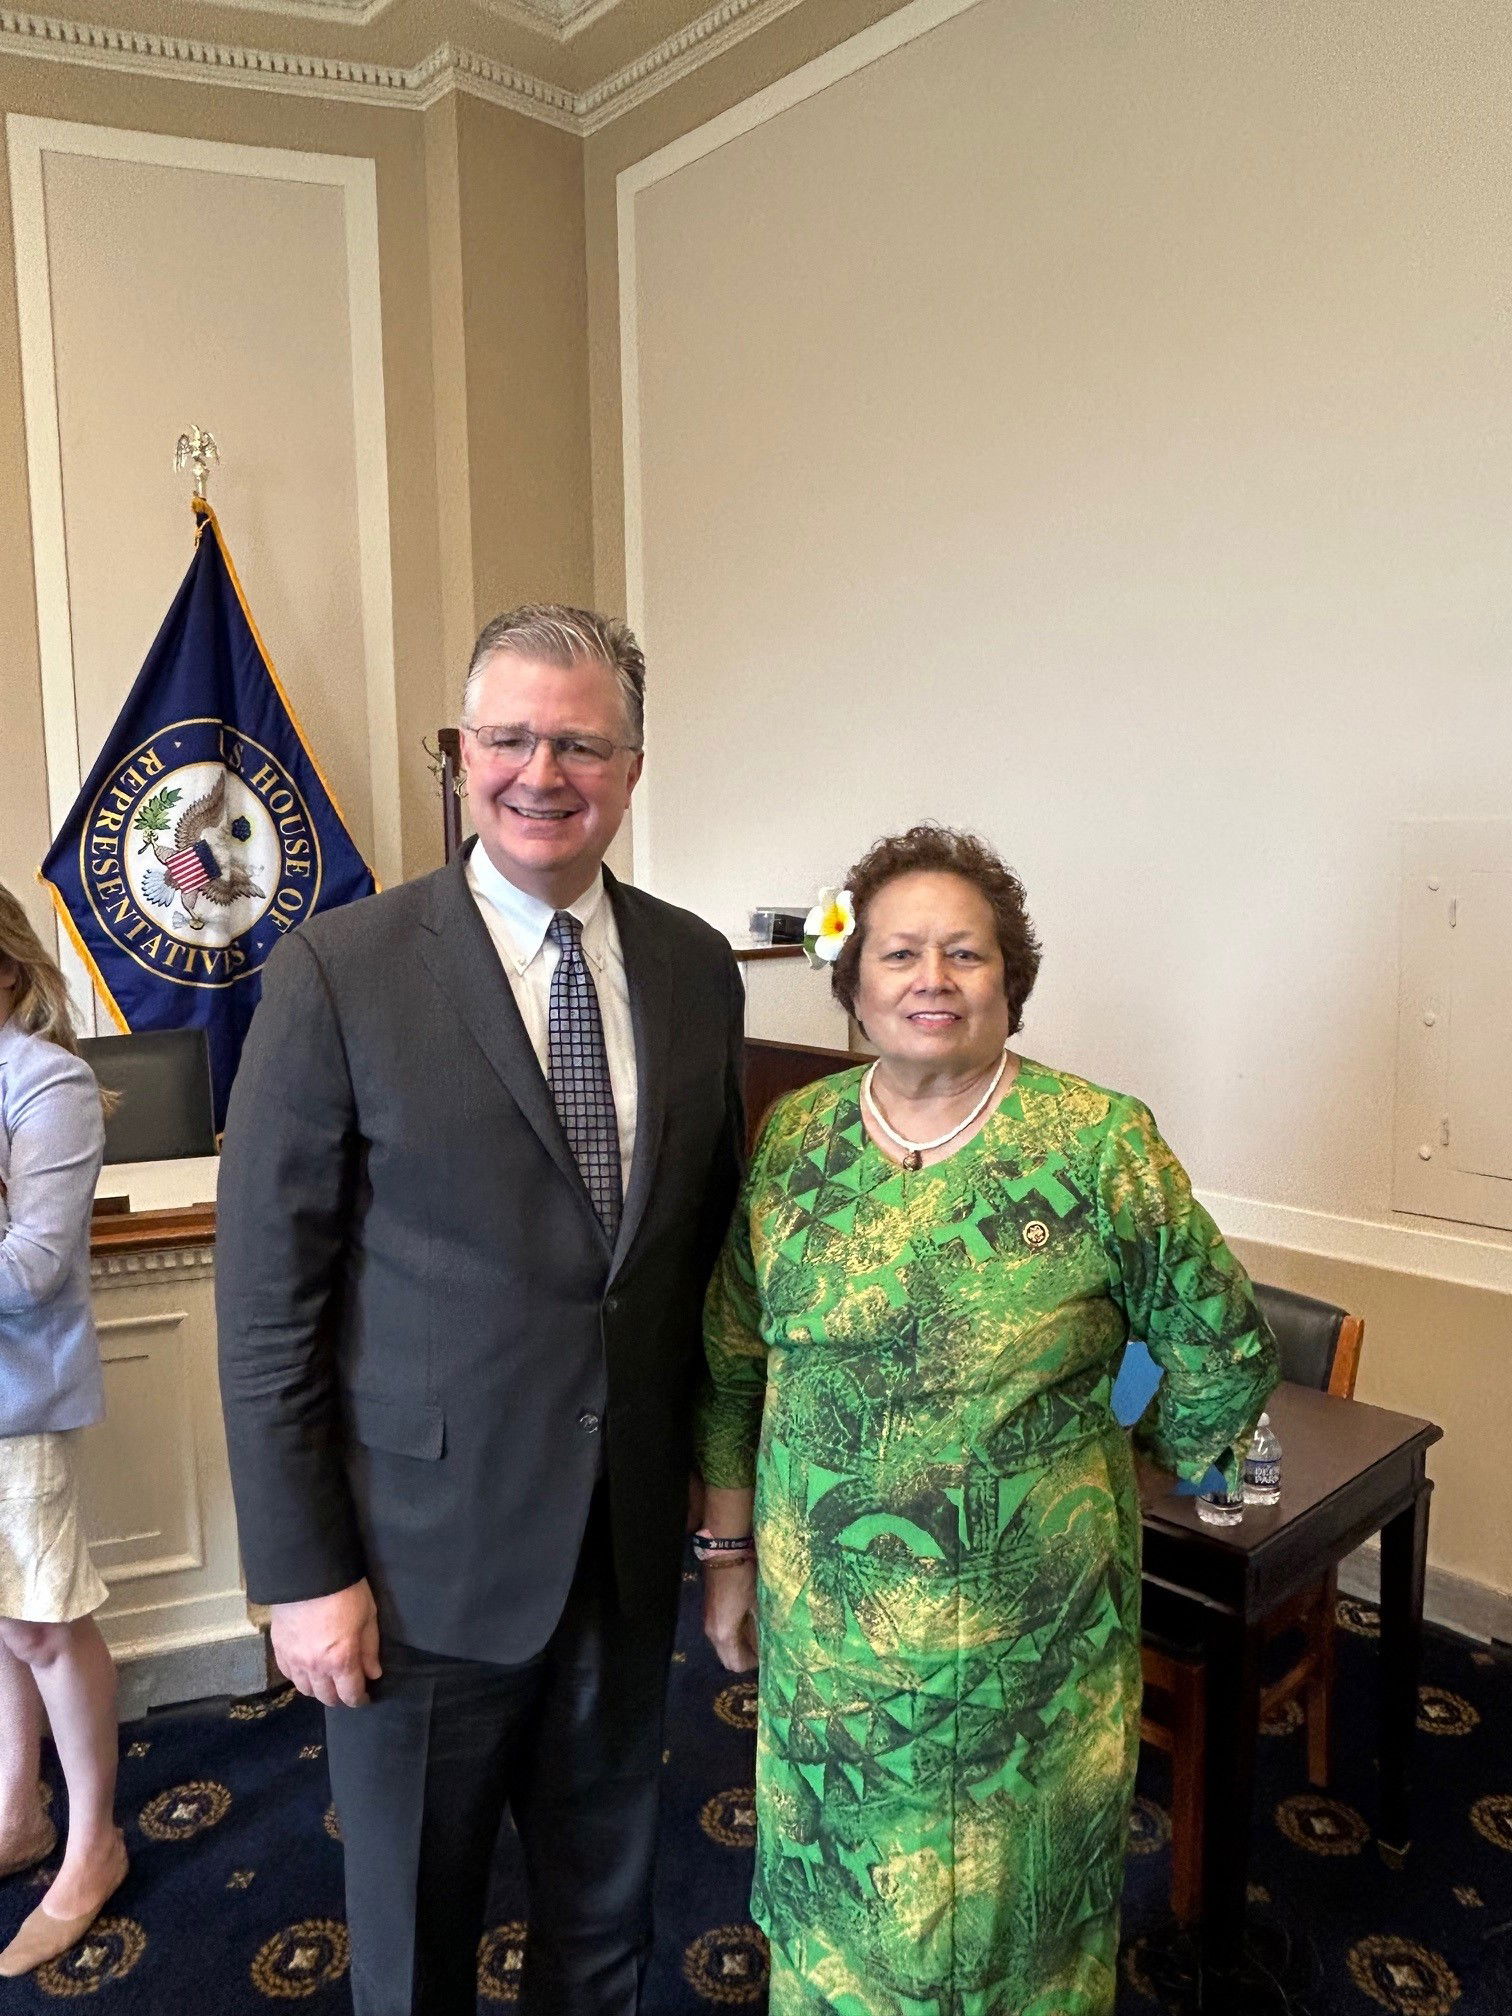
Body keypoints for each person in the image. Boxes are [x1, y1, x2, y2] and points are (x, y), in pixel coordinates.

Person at [216, 606, 746, 2016]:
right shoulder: (342, 969)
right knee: (410, 1945)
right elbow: (269, 1304)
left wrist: (720, 1519)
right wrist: (301, 1571)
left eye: (580, 742)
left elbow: (694, 1267)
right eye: (506, 738)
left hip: (623, 1557)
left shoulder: (697, 970)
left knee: (605, 1930)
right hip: (414, 1572)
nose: (540, 770)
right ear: (458, 757)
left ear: (631, 768)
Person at [697, 825, 1278, 2016]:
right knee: (844, 1929)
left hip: (1036, 1657)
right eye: (901, 952)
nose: (933, 978)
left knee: (1024, 1942)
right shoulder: (795, 1141)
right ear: (852, 984)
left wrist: (1107, 1453)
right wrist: (725, 1553)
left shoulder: (1100, 1145)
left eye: (968, 954)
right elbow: (731, 1361)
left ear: (1011, 981)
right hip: (831, 1662)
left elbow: (1220, 1350)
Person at [0, 887, 126, 1978]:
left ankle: (93, 1844)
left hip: (15, 1403)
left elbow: (34, 1270)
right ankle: (17, 1817)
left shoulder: (49, 1082)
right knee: (0, 1621)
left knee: (44, 1623)